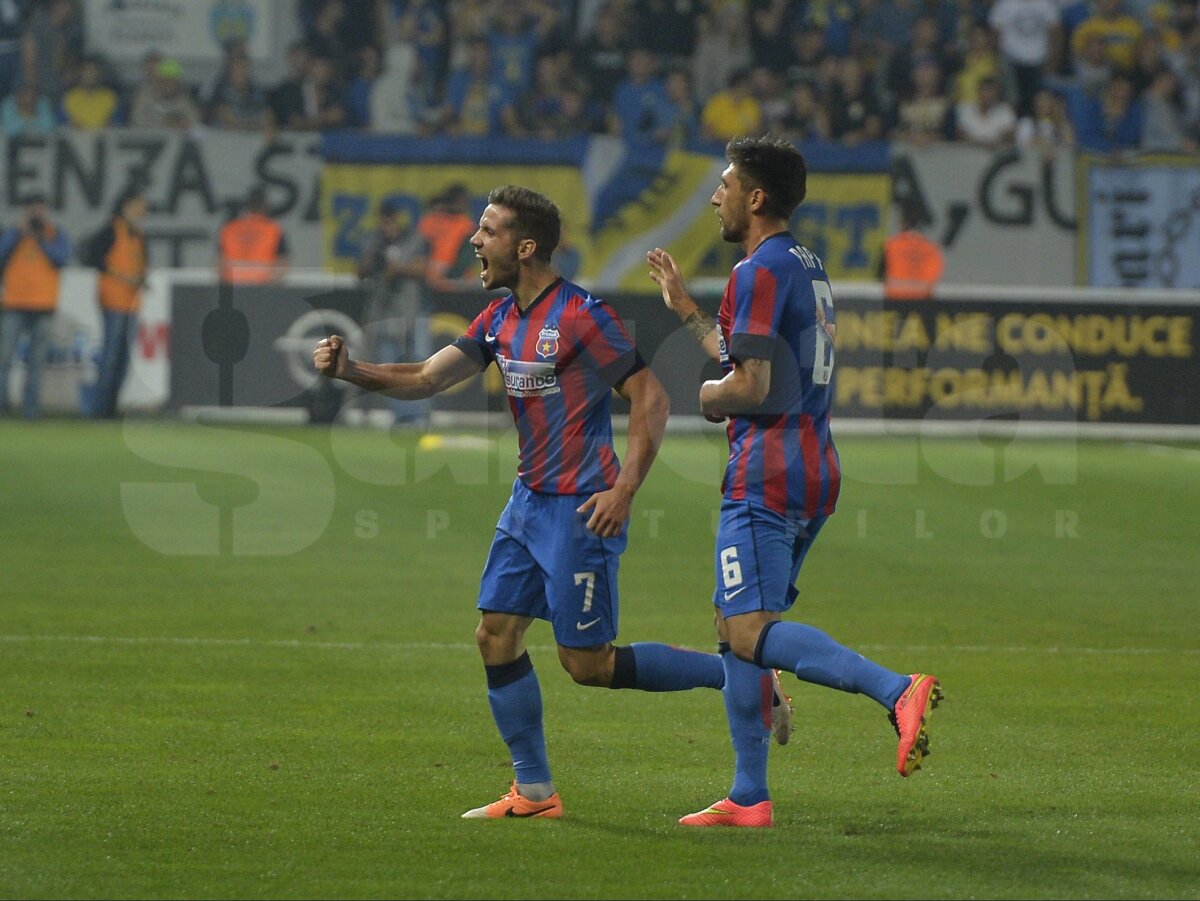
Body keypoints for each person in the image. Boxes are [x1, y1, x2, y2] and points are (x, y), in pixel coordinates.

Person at [314, 184, 793, 820]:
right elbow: (428, 377)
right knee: (494, 635)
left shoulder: (581, 316)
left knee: (586, 664)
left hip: (579, 509)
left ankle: (742, 677)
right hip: (527, 502)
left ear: (526, 246)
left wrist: (623, 489)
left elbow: (650, 399)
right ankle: (535, 791)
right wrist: (353, 370)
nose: (474, 242)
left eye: (487, 231)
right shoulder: (499, 318)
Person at [647, 136, 942, 828]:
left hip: (767, 470)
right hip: (813, 464)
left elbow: (746, 381)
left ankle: (896, 689)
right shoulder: (804, 266)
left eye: (725, 184)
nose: (715, 195)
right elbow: (745, 351)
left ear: (755, 197)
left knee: (748, 627)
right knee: (733, 624)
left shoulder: (755, 271)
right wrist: (687, 311)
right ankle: (749, 794)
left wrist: (711, 397)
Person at [356, 197, 431, 424]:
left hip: (413, 309)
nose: (386, 224)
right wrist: (376, 253)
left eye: (389, 219)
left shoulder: (413, 239)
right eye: (382, 220)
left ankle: (420, 415)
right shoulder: (375, 241)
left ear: (397, 219)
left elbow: (421, 269)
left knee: (420, 362)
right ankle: (400, 414)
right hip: (385, 311)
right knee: (389, 363)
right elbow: (361, 271)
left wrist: (397, 267)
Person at [0, 195, 71, 419]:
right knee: (4, 357)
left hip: (43, 304)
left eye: (40, 209)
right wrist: (16, 234)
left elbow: (62, 258)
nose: (36, 214)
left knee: (36, 361)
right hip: (14, 303)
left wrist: (40, 239)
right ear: (25, 211)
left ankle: (30, 410)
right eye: (32, 209)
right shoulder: (13, 233)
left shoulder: (54, 234)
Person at [83, 185, 148, 419]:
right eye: (141, 204)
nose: (144, 209)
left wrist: (141, 279)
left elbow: (138, 265)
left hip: (132, 302)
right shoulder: (112, 229)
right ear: (128, 205)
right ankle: (100, 409)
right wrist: (122, 276)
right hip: (113, 301)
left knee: (123, 358)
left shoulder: (137, 234)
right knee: (110, 358)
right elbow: (92, 257)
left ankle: (110, 408)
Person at [217, 186, 289, 286]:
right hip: (262, 287)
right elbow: (282, 263)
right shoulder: (273, 229)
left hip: (233, 287)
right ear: (265, 206)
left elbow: (220, 263)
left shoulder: (230, 228)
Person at [880, 203, 945, 301]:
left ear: (904, 222)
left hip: (895, 300)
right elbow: (935, 276)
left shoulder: (892, 245)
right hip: (922, 302)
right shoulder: (932, 249)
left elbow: (880, 273)